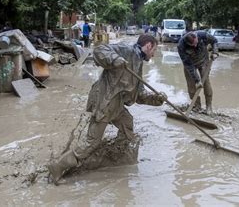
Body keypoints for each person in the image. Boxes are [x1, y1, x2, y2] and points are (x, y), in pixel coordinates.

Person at [48, 34, 167, 185]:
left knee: (127, 123)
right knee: (91, 142)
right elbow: (99, 50)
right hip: (104, 101)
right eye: (154, 50)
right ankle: (57, 167)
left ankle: (117, 156)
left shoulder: (138, 62)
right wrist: (115, 60)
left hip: (115, 104)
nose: (154, 54)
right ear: (148, 45)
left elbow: (139, 94)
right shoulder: (126, 50)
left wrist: (157, 99)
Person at [177, 30, 219, 115]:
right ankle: (197, 106)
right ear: (187, 43)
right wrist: (196, 80)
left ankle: (209, 107)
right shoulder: (181, 46)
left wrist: (215, 52)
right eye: (193, 45)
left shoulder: (203, 35)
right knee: (191, 87)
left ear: (196, 37)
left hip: (203, 61)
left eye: (196, 42)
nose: (195, 45)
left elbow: (215, 41)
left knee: (206, 82)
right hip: (190, 64)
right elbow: (188, 65)